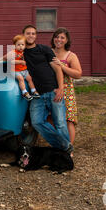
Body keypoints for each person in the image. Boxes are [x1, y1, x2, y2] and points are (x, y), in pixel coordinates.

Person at [22, 24, 73, 154]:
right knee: (37, 122)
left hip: (53, 91)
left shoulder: (44, 49)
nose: (31, 36)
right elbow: (7, 57)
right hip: (37, 95)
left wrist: (60, 88)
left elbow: (57, 69)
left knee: (60, 123)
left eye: (33, 33)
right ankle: (65, 146)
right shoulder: (20, 53)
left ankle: (65, 154)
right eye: (28, 33)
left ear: (36, 36)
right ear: (23, 35)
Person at [51, 27, 82, 145]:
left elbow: (78, 74)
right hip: (51, 89)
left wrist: (62, 66)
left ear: (67, 40)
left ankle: (69, 148)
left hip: (66, 91)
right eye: (57, 37)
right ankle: (57, 144)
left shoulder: (71, 56)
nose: (59, 39)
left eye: (62, 37)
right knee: (50, 119)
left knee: (68, 119)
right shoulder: (49, 52)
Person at [0, 35, 40, 101]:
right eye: (18, 45)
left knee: (29, 79)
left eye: (22, 44)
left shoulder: (24, 52)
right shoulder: (13, 52)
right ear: (14, 45)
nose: (21, 46)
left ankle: (34, 91)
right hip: (15, 71)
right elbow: (11, 61)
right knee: (21, 79)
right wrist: (20, 62)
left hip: (24, 70)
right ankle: (24, 92)